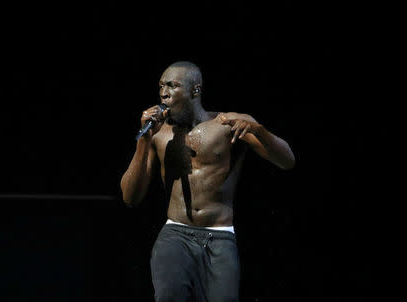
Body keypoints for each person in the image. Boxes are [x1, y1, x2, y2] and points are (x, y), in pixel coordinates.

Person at [120, 61, 295, 302]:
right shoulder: (158, 133)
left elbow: (287, 161)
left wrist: (260, 131)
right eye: (161, 86)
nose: (164, 93)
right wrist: (143, 141)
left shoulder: (227, 124)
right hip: (175, 234)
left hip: (220, 236)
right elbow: (130, 197)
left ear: (195, 90)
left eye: (172, 85)